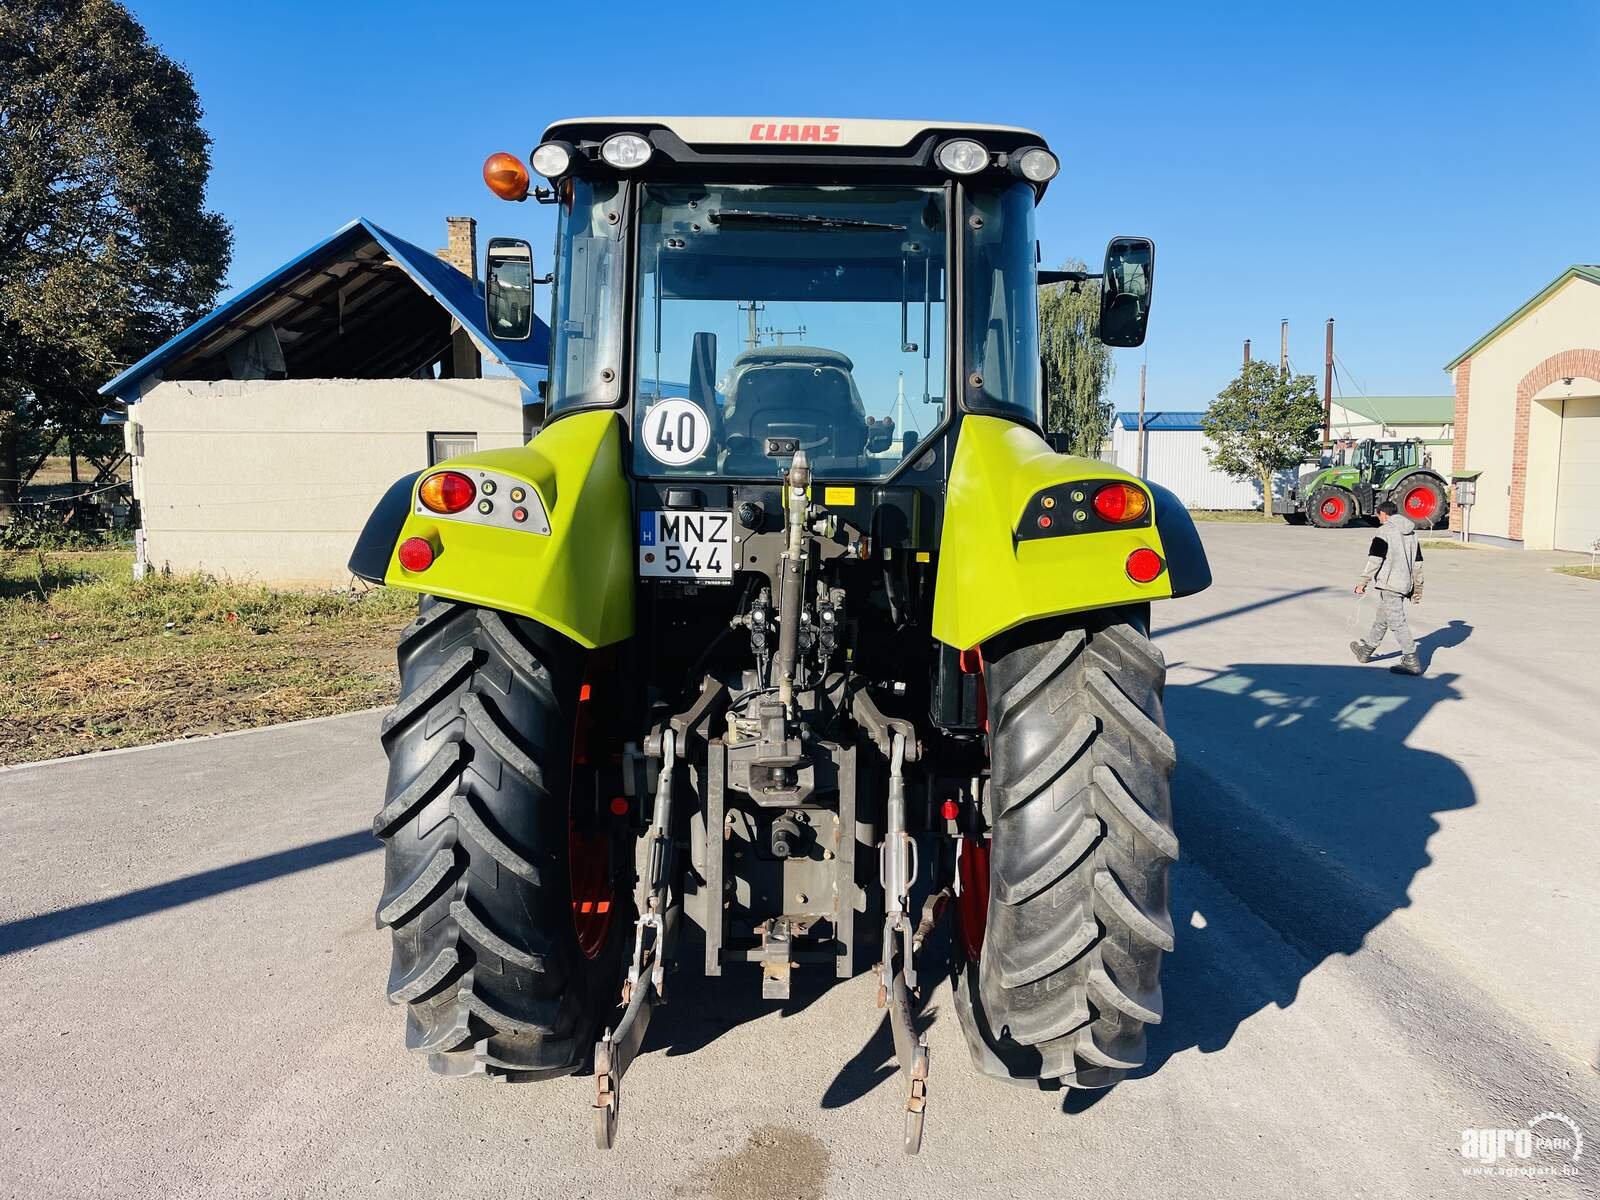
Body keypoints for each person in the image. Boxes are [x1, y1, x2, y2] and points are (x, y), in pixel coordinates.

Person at [1351, 500, 1425, 675]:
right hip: (1404, 584)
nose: (1378, 518)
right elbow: (1418, 563)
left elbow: (1375, 560)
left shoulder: (1384, 531)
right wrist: (1418, 588)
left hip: (1390, 584)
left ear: (1383, 513)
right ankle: (1366, 651)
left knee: (1398, 623)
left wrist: (1363, 582)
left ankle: (1411, 660)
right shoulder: (1413, 534)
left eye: (1378, 515)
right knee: (1382, 619)